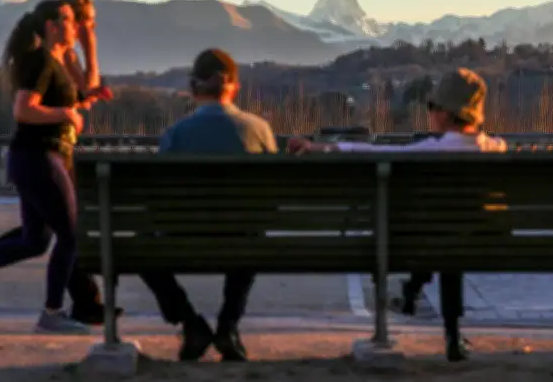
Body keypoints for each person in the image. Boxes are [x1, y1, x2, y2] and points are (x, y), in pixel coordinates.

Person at [287, 67, 507, 362]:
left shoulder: (428, 151)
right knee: (453, 237)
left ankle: (413, 294)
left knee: (441, 233)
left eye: (432, 107)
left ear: (443, 113)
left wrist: (317, 147)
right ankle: (450, 333)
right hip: (489, 244)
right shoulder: (497, 149)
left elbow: (363, 151)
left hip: (419, 246)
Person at [0, 0, 122, 326]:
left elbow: (61, 101)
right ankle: (52, 313)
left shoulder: (54, 61)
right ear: (52, 27)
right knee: (70, 234)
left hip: (41, 157)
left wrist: (85, 98)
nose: (76, 26)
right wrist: (66, 111)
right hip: (39, 156)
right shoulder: (39, 61)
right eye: (69, 20)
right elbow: (23, 110)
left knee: (35, 240)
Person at [137, 48, 277, 362]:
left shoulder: (177, 133)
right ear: (235, 87)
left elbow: (158, 198)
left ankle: (190, 322)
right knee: (252, 233)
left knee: (140, 248)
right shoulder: (260, 130)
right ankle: (228, 325)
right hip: (243, 240)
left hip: (183, 237)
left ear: (193, 88)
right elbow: (269, 200)